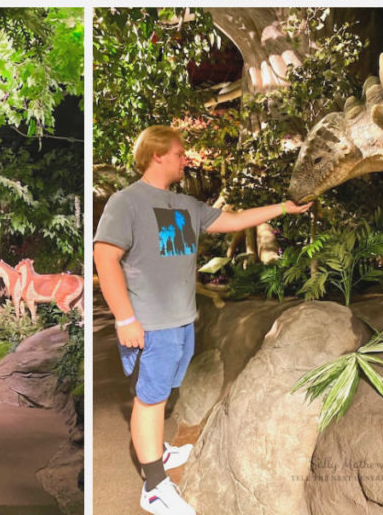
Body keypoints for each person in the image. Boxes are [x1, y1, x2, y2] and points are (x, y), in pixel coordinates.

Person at [93, 125, 312, 515]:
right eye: (179, 152)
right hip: (150, 323)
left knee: (165, 393)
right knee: (150, 400)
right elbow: (104, 257)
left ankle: (157, 451)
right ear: (157, 154)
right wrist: (125, 318)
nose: (185, 159)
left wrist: (284, 208)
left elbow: (234, 219)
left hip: (182, 320)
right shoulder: (126, 202)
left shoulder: (187, 205)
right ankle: (155, 487)